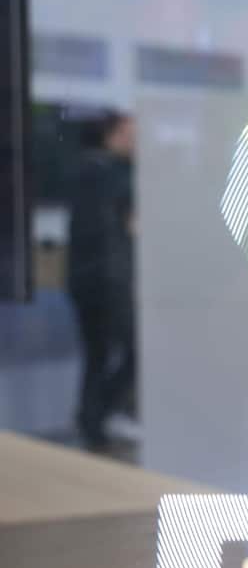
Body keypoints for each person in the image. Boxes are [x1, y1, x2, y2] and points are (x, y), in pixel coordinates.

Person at [68, 111, 136, 450]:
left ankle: (92, 420)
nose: (135, 141)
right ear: (111, 135)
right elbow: (129, 226)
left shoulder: (87, 170)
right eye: (129, 133)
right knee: (134, 349)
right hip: (108, 279)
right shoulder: (111, 174)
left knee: (97, 354)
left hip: (88, 279)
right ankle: (100, 414)